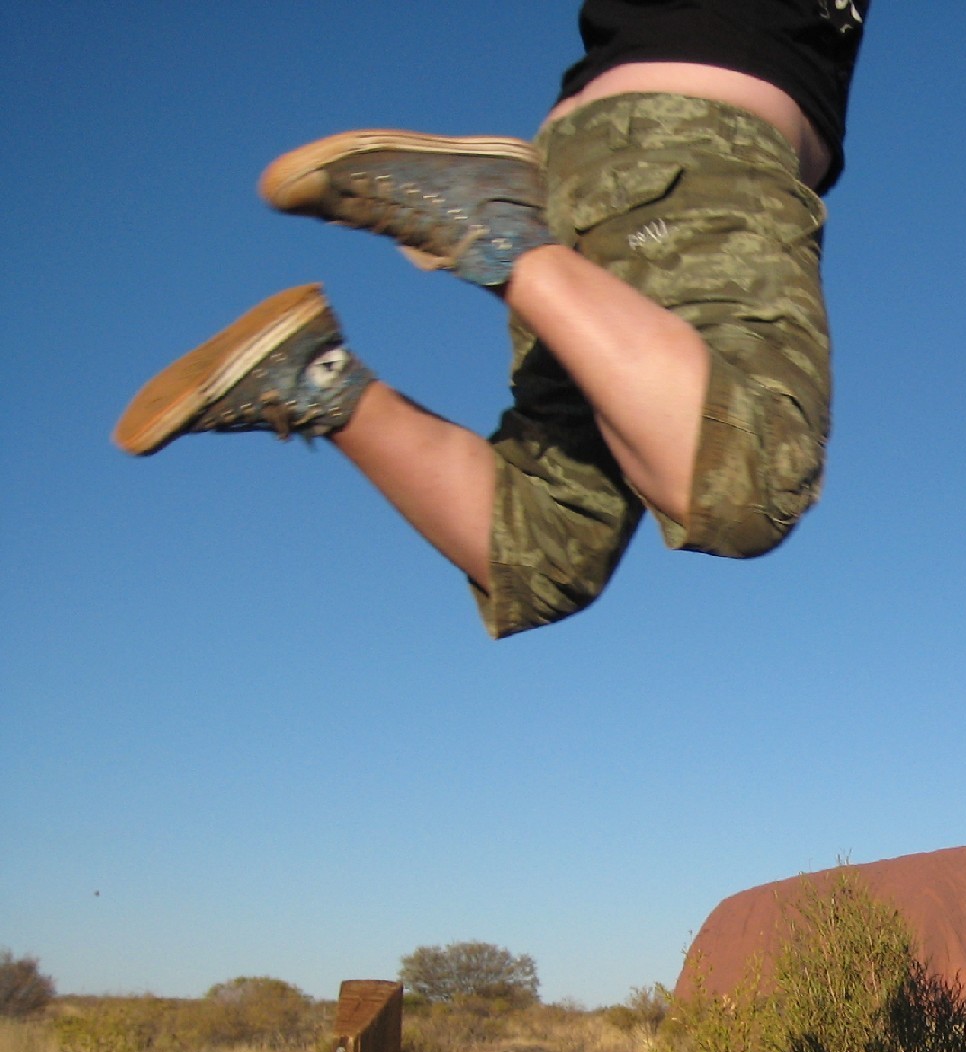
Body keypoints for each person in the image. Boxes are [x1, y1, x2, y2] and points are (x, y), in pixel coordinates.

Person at [114, 2, 871, 639]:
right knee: (749, 475)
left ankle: (313, 378)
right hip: (694, 151)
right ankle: (499, 233)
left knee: (544, 555)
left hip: (612, 165)